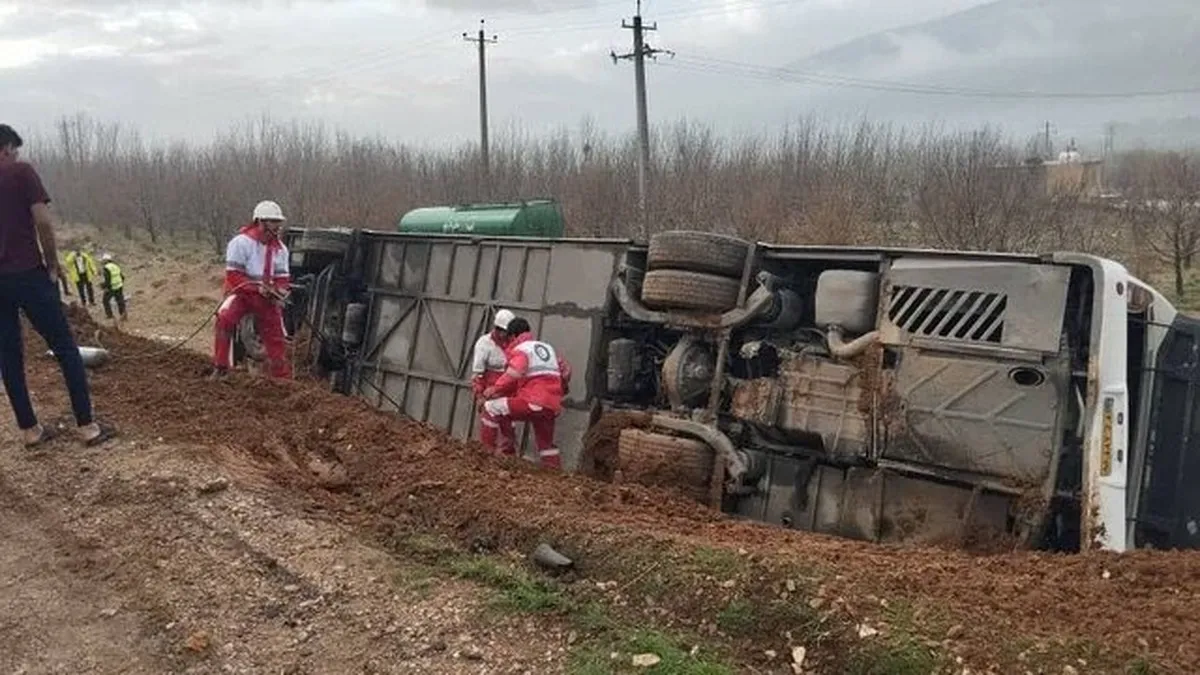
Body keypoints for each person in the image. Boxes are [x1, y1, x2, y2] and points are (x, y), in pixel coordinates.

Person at [0, 123, 115, 447]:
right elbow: (43, 222)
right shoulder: (20, 172)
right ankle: (87, 427)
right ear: (7, 147)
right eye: (15, 149)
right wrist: (52, 264)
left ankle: (30, 431)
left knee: (9, 356)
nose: (17, 154)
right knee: (65, 347)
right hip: (27, 274)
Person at [212, 200, 291, 379]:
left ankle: (281, 379)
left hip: (267, 299)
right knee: (224, 318)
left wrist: (280, 291)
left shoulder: (281, 250)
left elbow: (282, 278)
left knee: (276, 337)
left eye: (279, 223)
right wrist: (256, 288)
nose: (278, 227)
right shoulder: (240, 243)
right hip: (241, 294)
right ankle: (221, 367)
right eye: (274, 222)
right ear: (261, 222)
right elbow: (234, 275)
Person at [480, 317, 571, 469]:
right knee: (546, 444)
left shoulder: (522, 349)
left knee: (491, 407)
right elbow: (566, 371)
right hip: (551, 406)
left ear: (513, 336)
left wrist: (494, 389)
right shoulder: (547, 349)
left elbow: (515, 373)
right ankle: (556, 475)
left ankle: (485, 454)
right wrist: (561, 390)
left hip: (533, 401)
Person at [471, 308, 514, 441]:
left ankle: (508, 454)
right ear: (498, 329)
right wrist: (479, 395)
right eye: (506, 332)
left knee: (509, 425)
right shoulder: (484, 344)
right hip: (490, 391)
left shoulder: (513, 343)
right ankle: (487, 452)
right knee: (489, 423)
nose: (508, 335)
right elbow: (478, 374)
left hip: (508, 390)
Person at [99, 252, 127, 322]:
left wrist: (104, 286)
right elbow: (122, 277)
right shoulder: (116, 266)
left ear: (105, 260)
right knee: (120, 301)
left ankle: (109, 315)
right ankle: (123, 315)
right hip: (119, 286)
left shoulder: (106, 268)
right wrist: (120, 283)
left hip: (111, 287)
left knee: (105, 301)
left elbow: (108, 279)